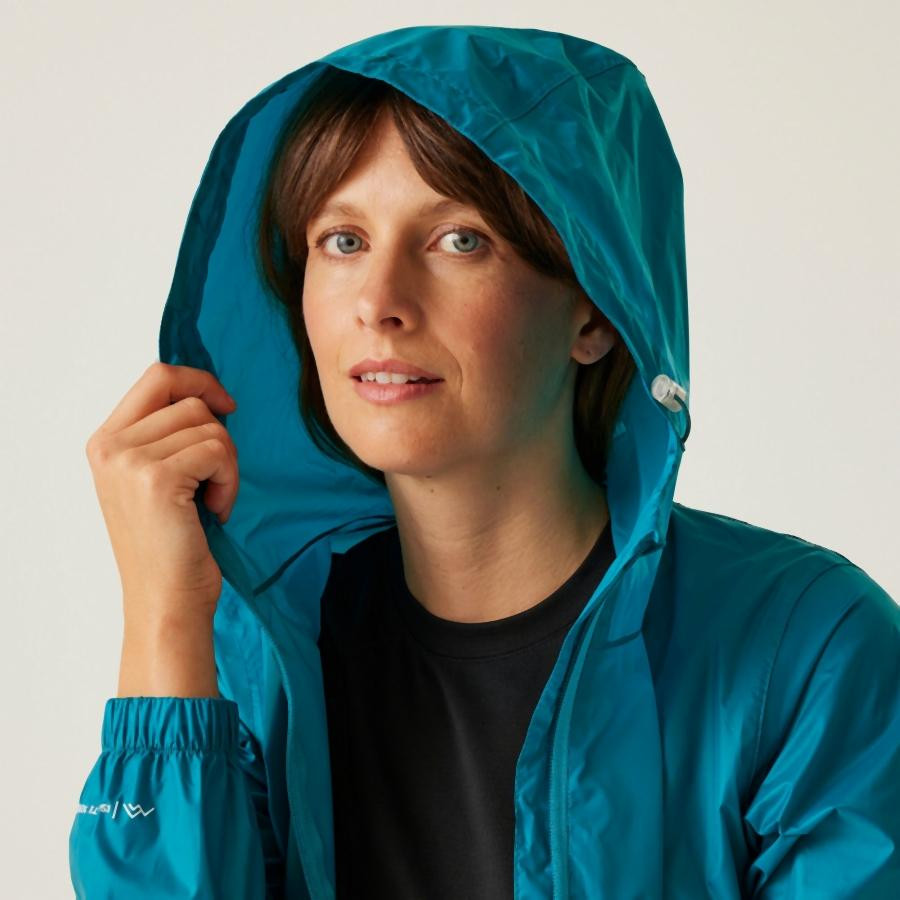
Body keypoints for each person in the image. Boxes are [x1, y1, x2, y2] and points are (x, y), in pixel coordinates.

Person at [69, 24, 900, 899]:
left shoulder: (809, 651)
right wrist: (163, 615)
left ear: (595, 312)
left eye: (459, 240)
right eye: (343, 240)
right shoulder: (259, 658)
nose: (379, 303)